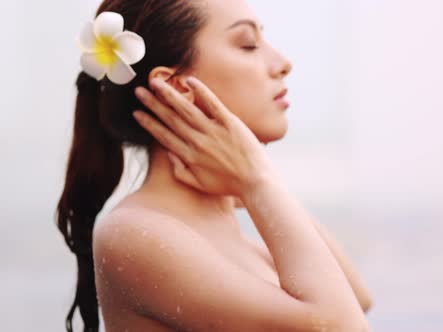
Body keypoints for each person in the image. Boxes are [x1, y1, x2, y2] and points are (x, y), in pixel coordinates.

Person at [56, 0, 373, 331]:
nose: (283, 63)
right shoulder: (136, 234)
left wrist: (253, 183)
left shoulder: (234, 237)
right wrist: (257, 181)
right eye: (248, 45)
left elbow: (357, 298)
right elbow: (341, 325)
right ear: (176, 87)